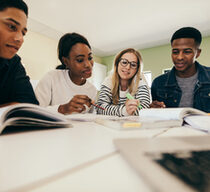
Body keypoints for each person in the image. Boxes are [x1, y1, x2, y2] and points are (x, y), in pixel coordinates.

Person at [151, 27, 210, 113]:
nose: (179, 57)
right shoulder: (158, 83)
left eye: (187, 52)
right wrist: (154, 110)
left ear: (198, 53)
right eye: (175, 52)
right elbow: (157, 116)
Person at [35, 33, 97, 114]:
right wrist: (62, 109)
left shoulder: (92, 90)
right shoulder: (51, 78)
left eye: (90, 58)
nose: (88, 65)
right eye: (80, 60)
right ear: (66, 61)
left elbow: (91, 119)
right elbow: (35, 111)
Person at [0, 0, 38, 107]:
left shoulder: (14, 62)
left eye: (23, 33)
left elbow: (30, 104)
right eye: (12, 27)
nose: (20, 39)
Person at [96, 48, 150, 116]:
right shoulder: (108, 81)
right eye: (124, 62)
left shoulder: (141, 82)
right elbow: (100, 108)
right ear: (117, 64)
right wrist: (125, 111)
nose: (128, 67)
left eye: (133, 65)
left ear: (137, 69)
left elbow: (144, 109)